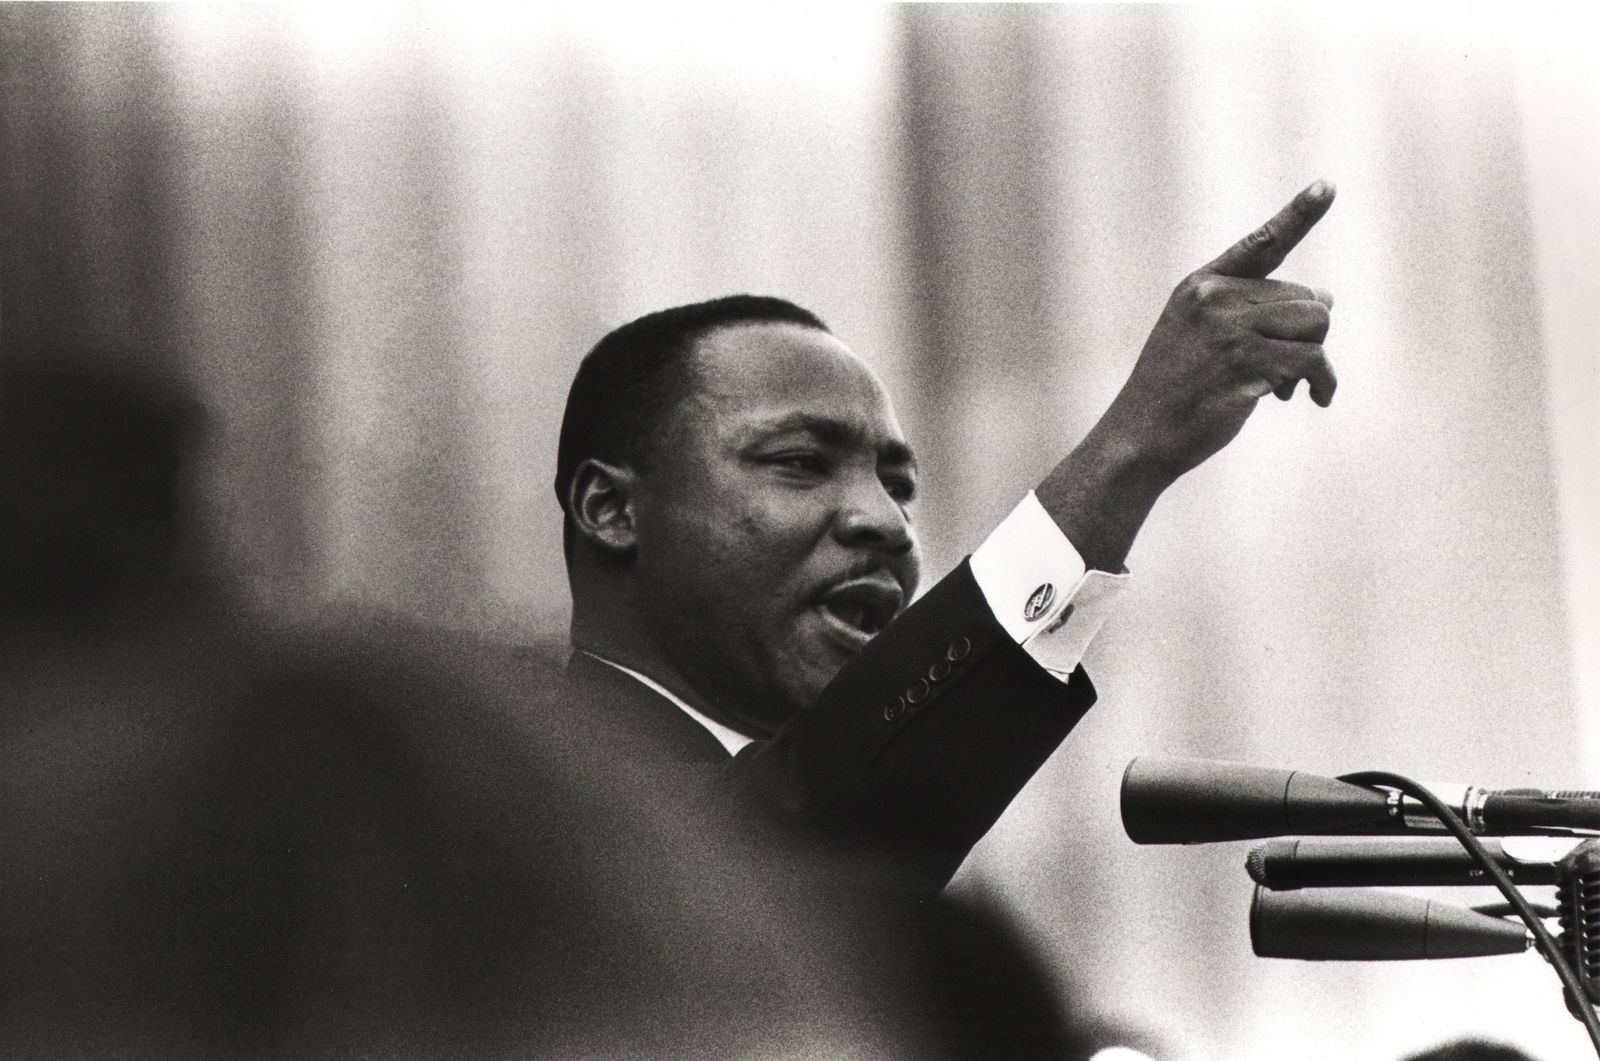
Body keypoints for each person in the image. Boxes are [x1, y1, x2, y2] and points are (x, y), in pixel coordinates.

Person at [551, 180, 1338, 892]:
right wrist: (1130, 448)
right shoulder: (503, 796)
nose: (885, 522)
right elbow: (748, 856)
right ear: (610, 509)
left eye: (901, 486)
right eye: (799, 462)